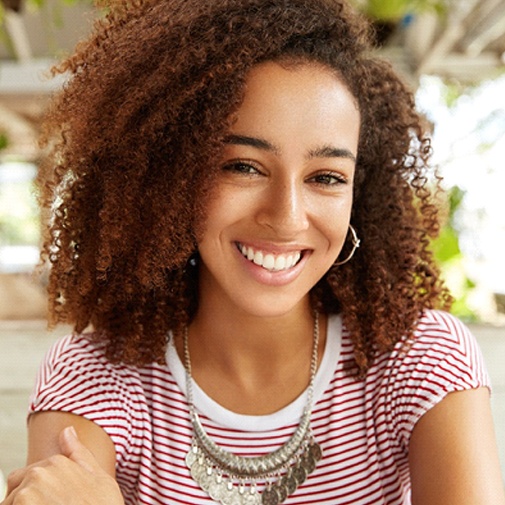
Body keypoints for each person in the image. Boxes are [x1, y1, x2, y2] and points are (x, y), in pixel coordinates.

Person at [2, 0, 504, 503]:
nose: (286, 217)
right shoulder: (95, 377)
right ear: (170, 173)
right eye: (243, 166)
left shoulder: (421, 360)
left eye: (326, 177)